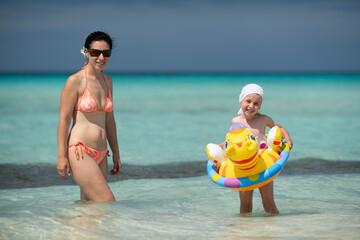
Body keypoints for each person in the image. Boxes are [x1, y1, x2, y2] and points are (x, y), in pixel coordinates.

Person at [57, 31, 121, 202]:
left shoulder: (108, 81)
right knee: (107, 203)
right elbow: (63, 121)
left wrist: (115, 152)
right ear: (86, 52)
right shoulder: (75, 81)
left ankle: (70, 229)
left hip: (101, 152)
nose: (101, 57)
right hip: (80, 151)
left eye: (106, 53)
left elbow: (109, 120)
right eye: (95, 52)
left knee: (91, 209)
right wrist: (61, 157)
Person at [219, 83, 293, 214]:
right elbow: (232, 142)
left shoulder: (264, 119)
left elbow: (279, 128)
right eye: (248, 101)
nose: (251, 106)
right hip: (244, 168)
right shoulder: (235, 121)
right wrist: (218, 151)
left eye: (256, 103)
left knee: (269, 205)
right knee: (245, 207)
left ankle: (275, 230)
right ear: (241, 100)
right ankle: (246, 232)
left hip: (263, 164)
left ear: (260, 106)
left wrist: (287, 138)